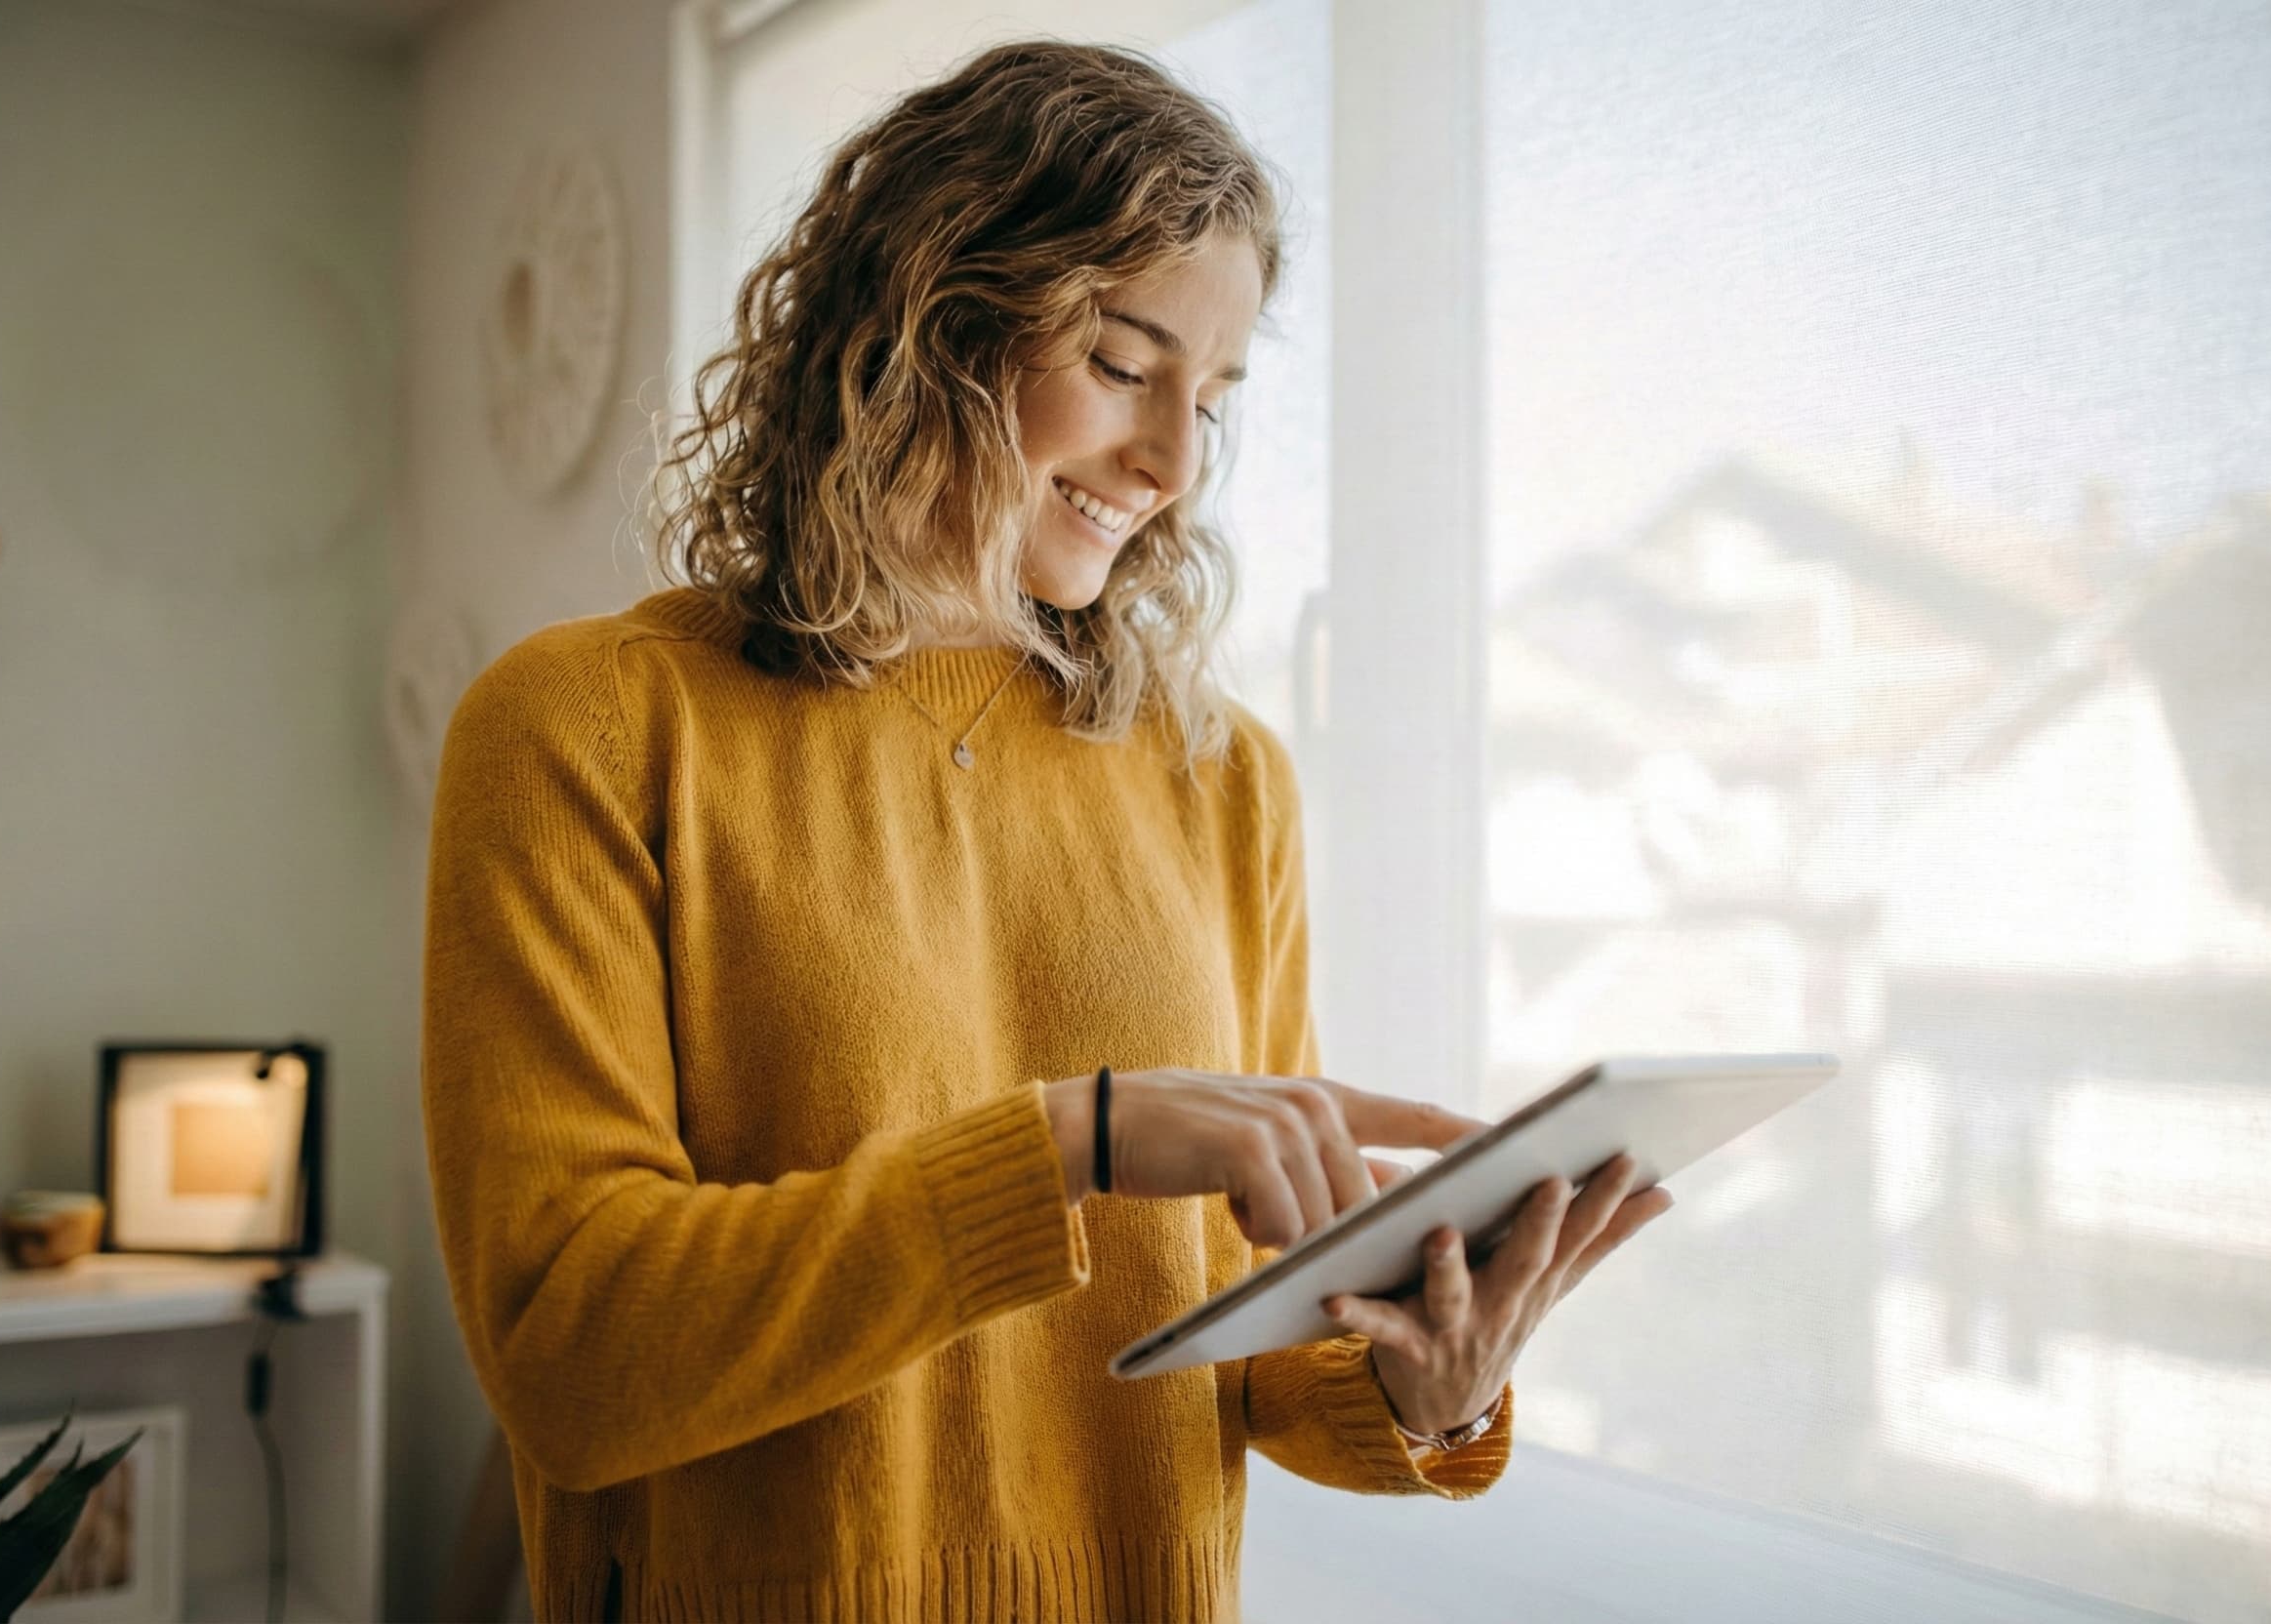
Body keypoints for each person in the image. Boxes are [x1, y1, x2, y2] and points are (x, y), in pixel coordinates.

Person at [421, 38, 1671, 1623]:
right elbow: (574, 1358)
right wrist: (1066, 1146)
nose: (1172, 464)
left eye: (1212, 398)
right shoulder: (588, 727)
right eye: (1126, 363)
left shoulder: (1224, 779)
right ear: (933, 313)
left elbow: (1249, 1358)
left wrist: (1427, 1384)